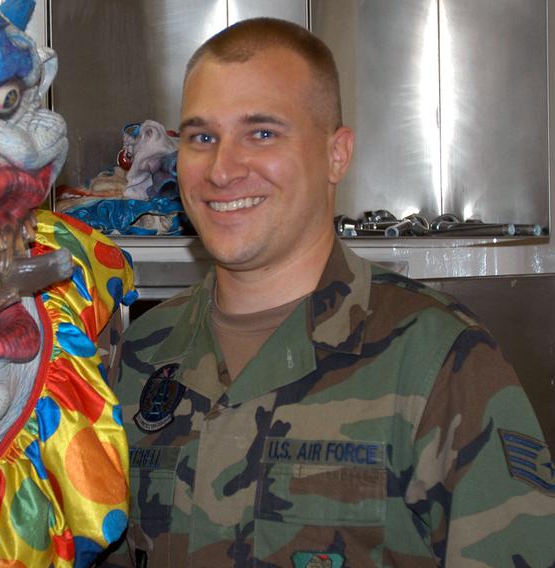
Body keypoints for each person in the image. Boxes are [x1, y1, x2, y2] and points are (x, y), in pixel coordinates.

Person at [104, 17, 555, 567]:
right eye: (202, 137)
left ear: (336, 155)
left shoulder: (440, 361)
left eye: (262, 133)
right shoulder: (142, 355)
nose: (221, 170)